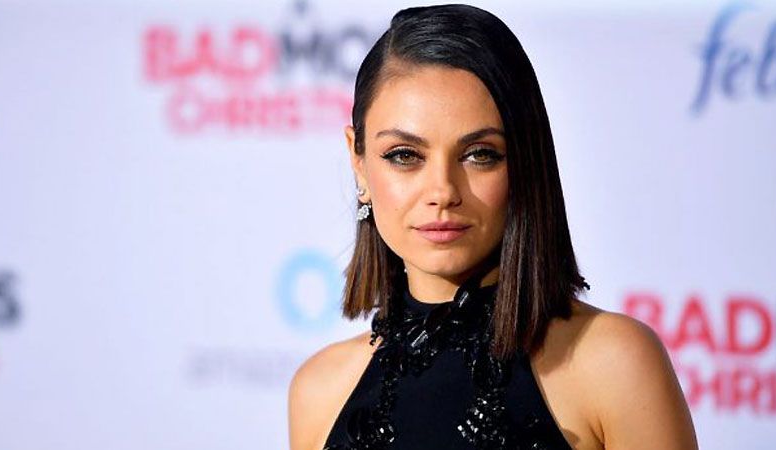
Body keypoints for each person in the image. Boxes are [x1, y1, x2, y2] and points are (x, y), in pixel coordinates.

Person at [288, 4, 698, 450]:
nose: (443, 191)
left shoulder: (614, 363)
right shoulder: (319, 391)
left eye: (479, 154)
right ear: (359, 162)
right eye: (405, 155)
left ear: (524, 160)